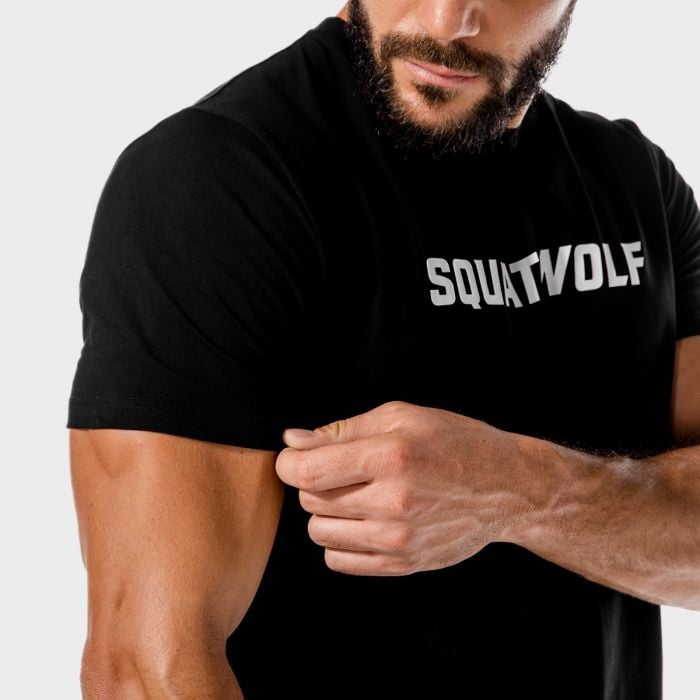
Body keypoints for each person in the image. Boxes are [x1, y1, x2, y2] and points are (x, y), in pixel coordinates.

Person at [66, 1, 700, 698]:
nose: (446, 19)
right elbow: (147, 670)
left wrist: (522, 492)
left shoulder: (636, 184)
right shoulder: (215, 181)